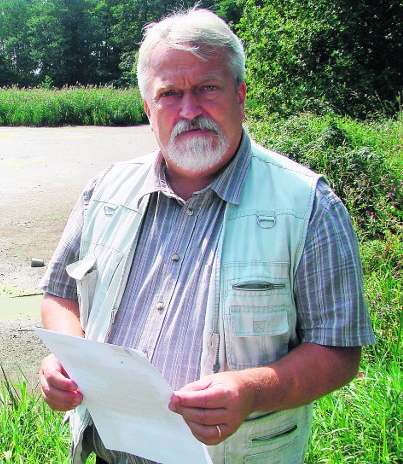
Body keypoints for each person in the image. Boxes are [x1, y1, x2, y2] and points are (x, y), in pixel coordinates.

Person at [38, 8, 375, 464]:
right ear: (148, 108)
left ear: (240, 93)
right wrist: (69, 364)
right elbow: (61, 295)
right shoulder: (105, 190)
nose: (189, 110)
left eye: (207, 88)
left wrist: (249, 391)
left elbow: (338, 350)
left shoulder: (308, 205)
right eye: (170, 94)